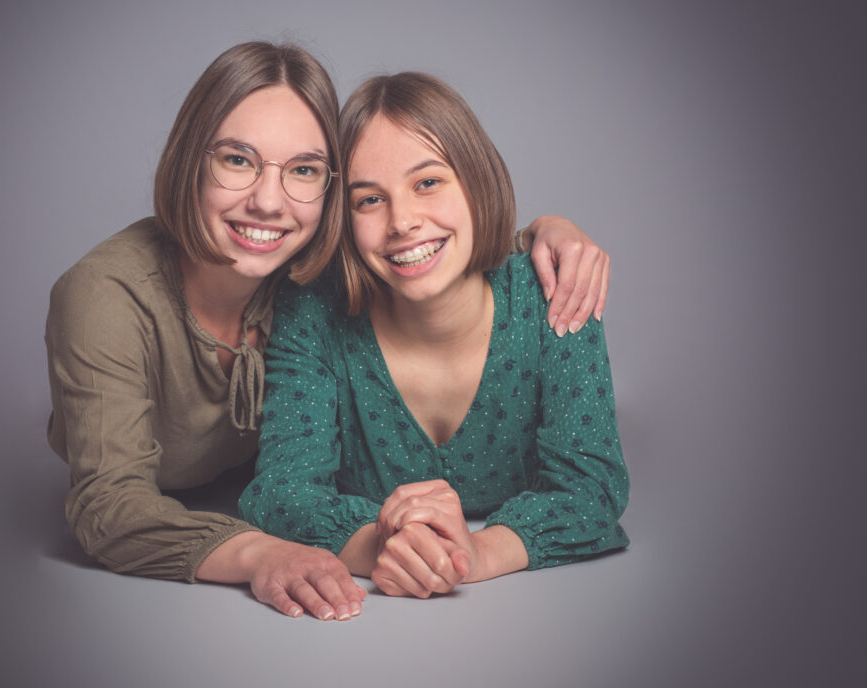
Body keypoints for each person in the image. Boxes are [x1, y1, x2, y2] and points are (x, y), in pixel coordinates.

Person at [46, 42, 611, 619]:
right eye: (236, 160)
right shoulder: (118, 296)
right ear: (191, 157)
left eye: (304, 171)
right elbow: (125, 505)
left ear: (324, 193)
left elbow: (435, 244)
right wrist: (293, 553)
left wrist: (550, 229)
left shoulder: (311, 262)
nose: (269, 202)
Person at [239, 72, 629, 598]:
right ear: (342, 219)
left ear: (475, 180)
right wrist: (379, 546)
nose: (403, 221)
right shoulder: (313, 312)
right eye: (369, 200)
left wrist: (478, 554)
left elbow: (593, 490)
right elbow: (280, 494)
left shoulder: (554, 292)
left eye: (427, 182)